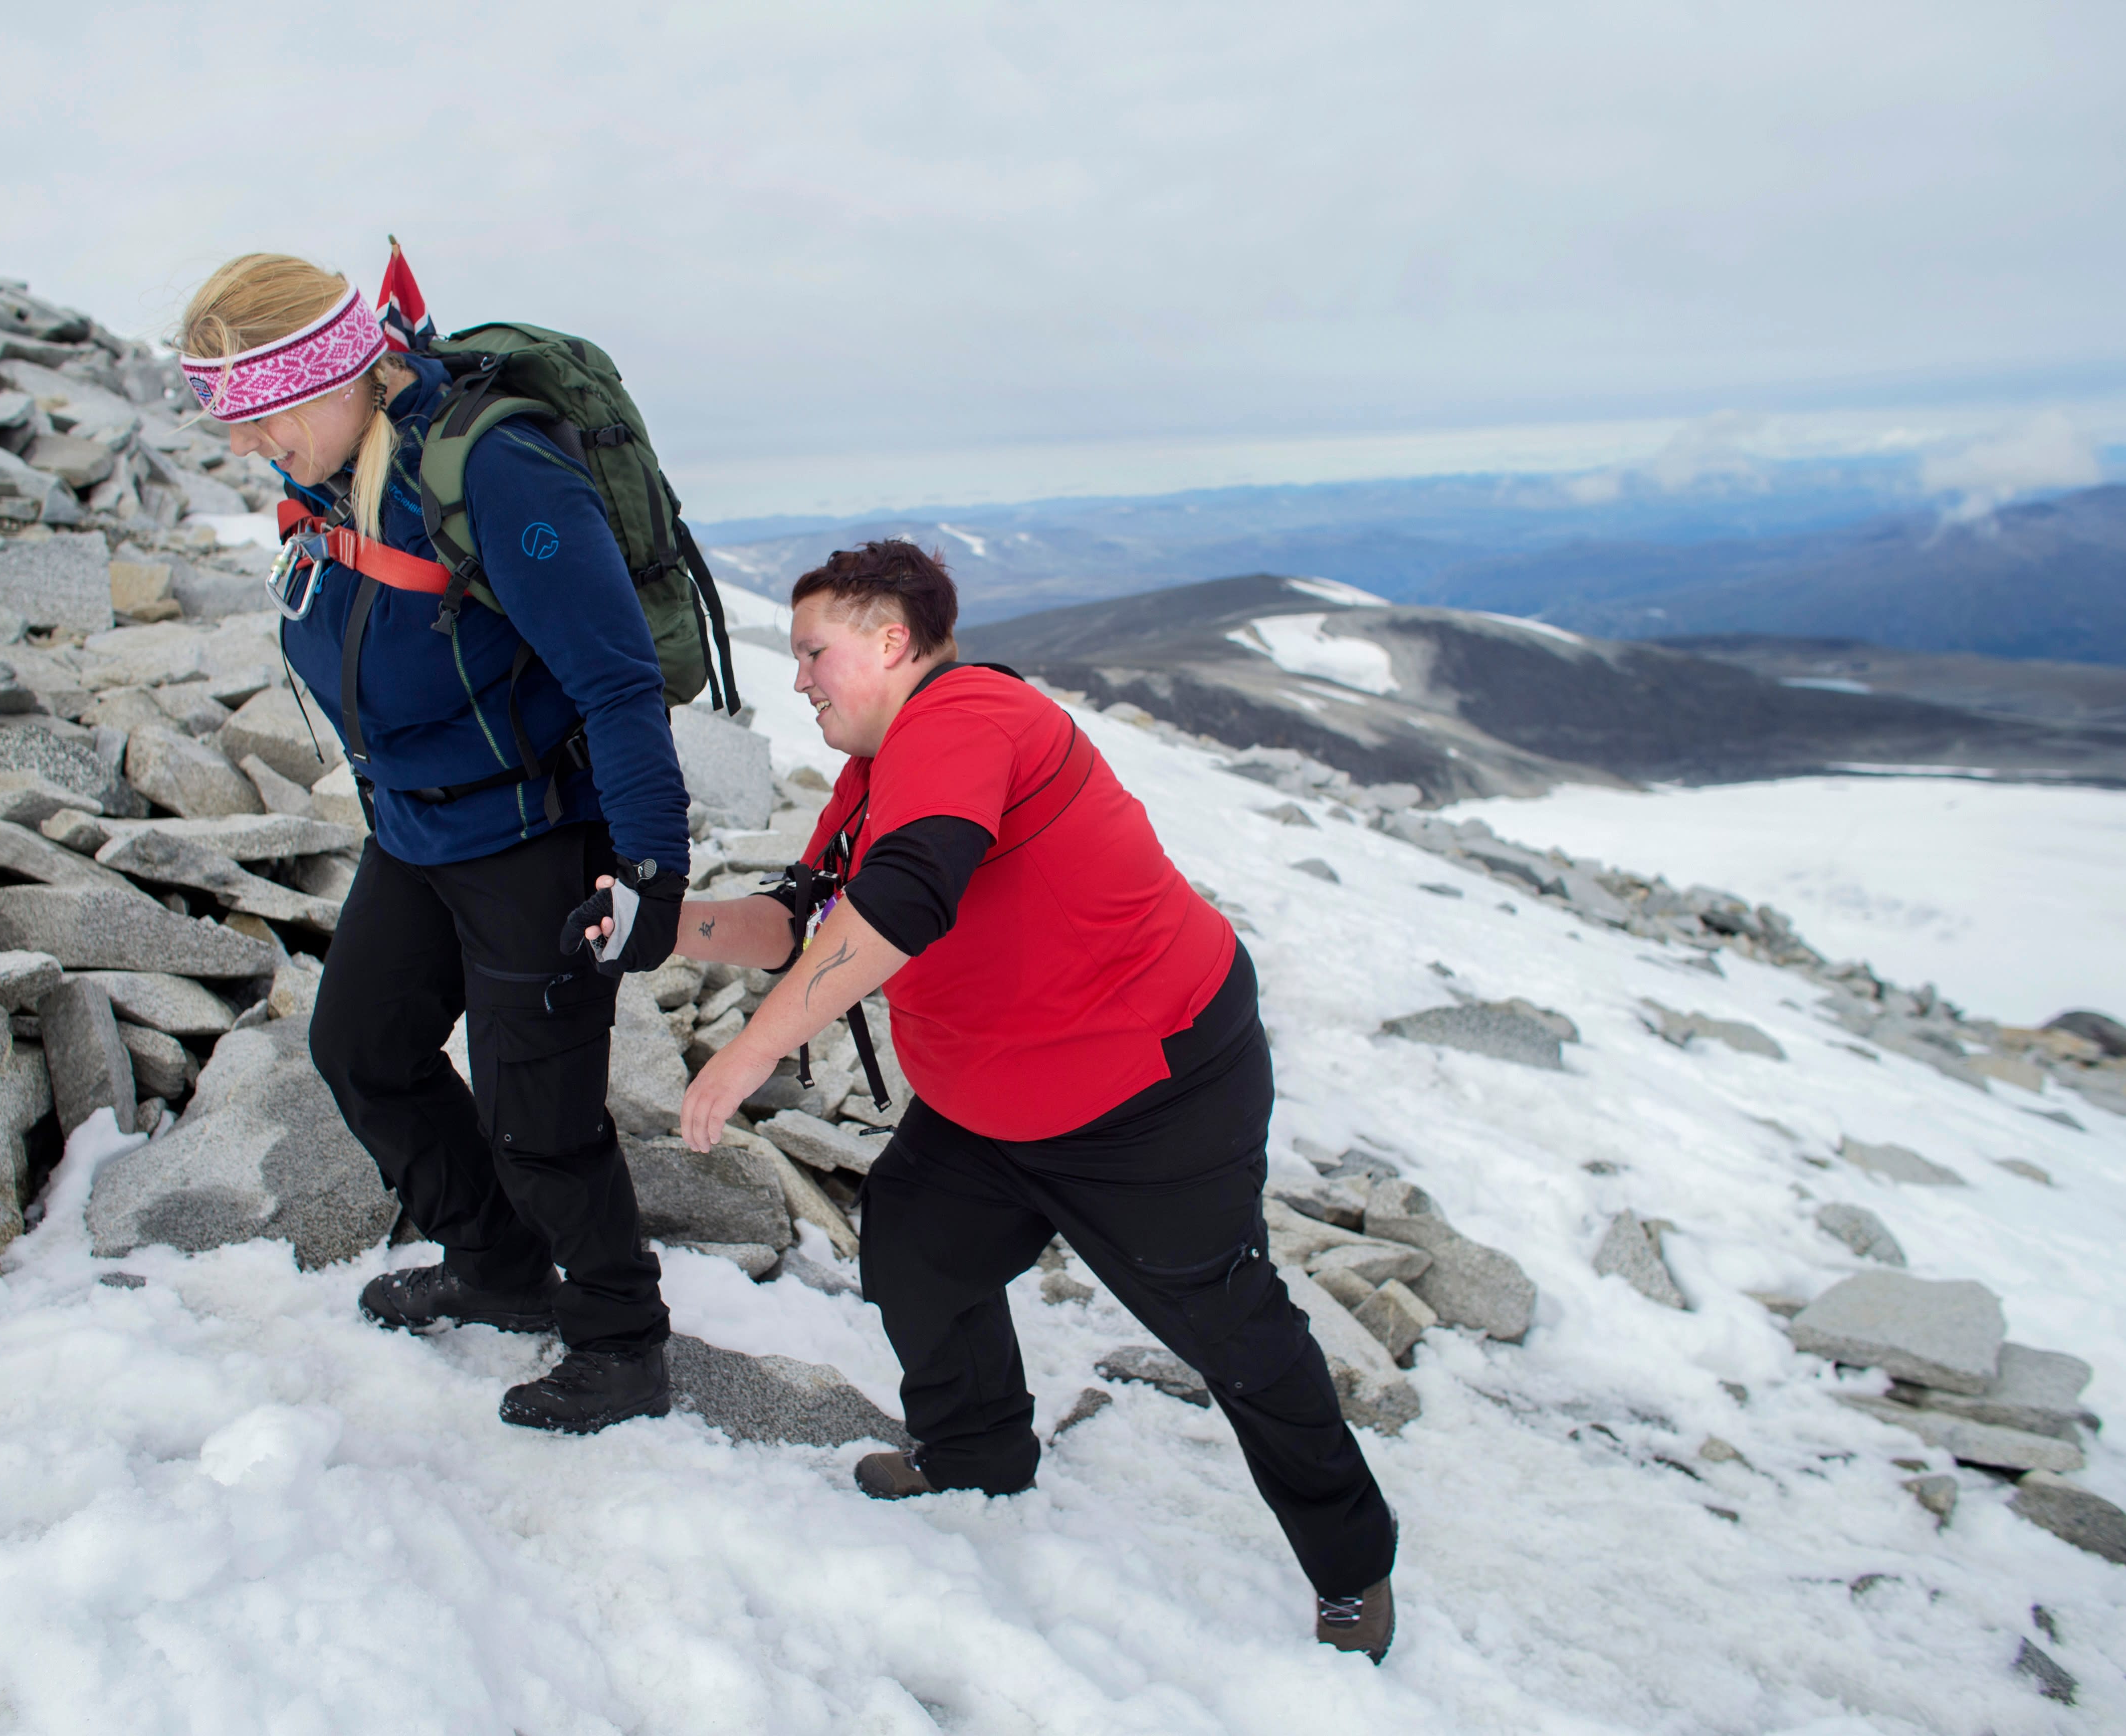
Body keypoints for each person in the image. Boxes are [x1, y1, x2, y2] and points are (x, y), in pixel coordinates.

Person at [587, 539, 1400, 1656]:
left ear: (893, 642)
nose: (801, 678)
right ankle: (978, 1456)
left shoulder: (972, 719)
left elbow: (908, 898)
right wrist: (654, 928)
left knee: (1229, 1325)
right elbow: (796, 922)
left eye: (815, 652)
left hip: (1147, 1095)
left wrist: (745, 1057)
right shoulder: (872, 777)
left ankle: (1352, 1565)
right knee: (916, 1251)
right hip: (992, 1097)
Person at [176, 253, 693, 1435]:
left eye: (262, 417)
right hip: (416, 825)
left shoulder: (496, 471)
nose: (250, 447)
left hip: (533, 834)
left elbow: (618, 683)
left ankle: (621, 1341)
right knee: (363, 1048)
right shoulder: (338, 467)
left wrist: (650, 869)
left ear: (331, 379)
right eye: (232, 424)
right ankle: (498, 1265)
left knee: (538, 1116)